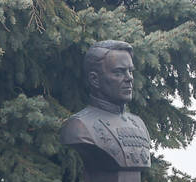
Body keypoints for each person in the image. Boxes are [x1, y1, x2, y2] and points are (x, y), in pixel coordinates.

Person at [59, 40, 151, 170]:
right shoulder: (79, 126)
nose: (129, 78)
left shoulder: (138, 124)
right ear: (94, 79)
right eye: (119, 72)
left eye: (130, 71)